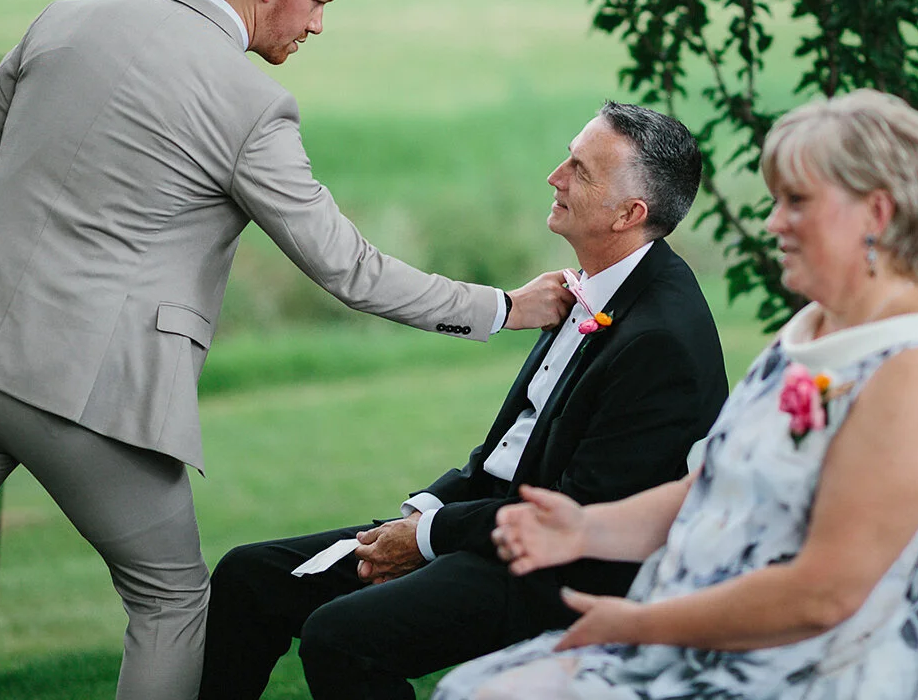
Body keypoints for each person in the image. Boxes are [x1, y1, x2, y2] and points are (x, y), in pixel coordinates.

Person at [0, 0, 572, 699]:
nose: (316, 25)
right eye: (316, 0)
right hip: (87, 393)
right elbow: (347, 267)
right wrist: (505, 307)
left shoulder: (64, 21)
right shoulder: (251, 106)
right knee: (170, 600)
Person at [432, 89, 918, 700]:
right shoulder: (811, 331)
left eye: (797, 202)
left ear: (877, 215)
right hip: (692, 646)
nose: (772, 222)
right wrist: (583, 528)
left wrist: (642, 624)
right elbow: (715, 488)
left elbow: (823, 595)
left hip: (801, 672)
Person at [198, 102, 727, 700]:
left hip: (555, 569)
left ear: (629, 213)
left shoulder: (658, 339)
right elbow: (510, 451)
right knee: (248, 579)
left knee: (342, 638)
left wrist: (429, 537)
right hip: (490, 521)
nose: (554, 176)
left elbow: (578, 512)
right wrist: (422, 513)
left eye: (579, 170)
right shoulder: (592, 288)